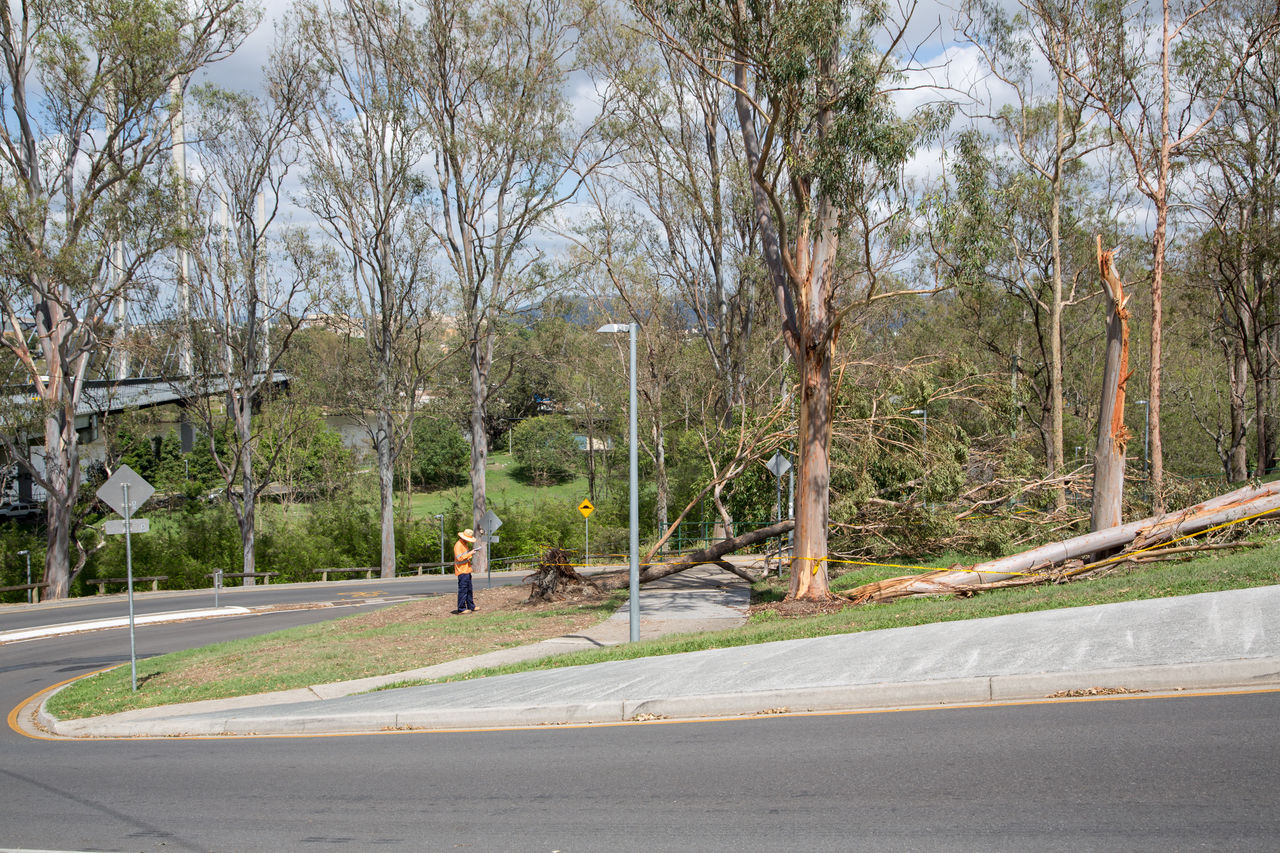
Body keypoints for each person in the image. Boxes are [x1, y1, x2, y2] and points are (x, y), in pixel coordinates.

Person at [453, 528, 478, 614]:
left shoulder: (464, 544)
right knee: (463, 590)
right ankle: (461, 608)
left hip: (466, 570)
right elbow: (459, 558)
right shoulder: (458, 545)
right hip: (462, 571)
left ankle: (471, 606)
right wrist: (470, 553)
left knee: (469, 590)